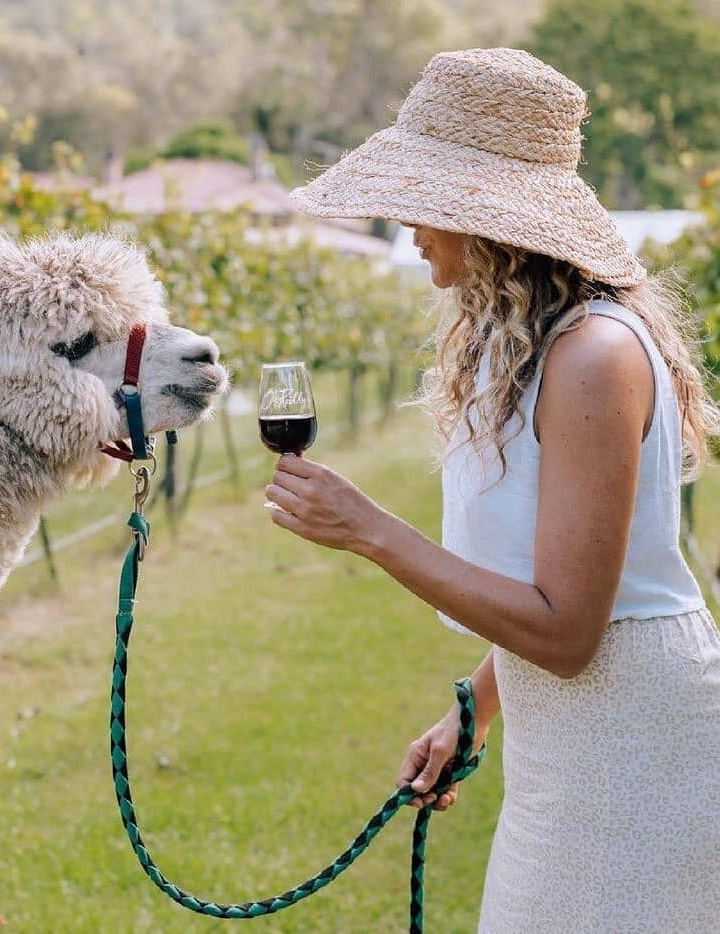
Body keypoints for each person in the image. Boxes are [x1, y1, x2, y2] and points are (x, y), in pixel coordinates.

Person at [266, 48, 720, 932]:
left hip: (632, 744)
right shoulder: (538, 347)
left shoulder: (592, 358)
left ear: (488, 220)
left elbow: (569, 629)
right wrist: (473, 707)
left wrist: (370, 531)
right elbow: (555, 587)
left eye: (423, 204)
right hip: (573, 738)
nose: (406, 227)